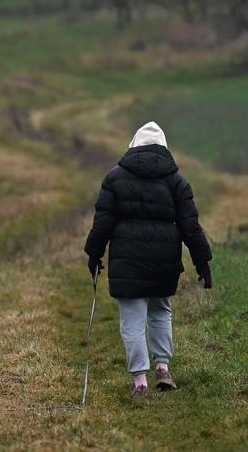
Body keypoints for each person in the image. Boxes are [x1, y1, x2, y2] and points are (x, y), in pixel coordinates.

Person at [84, 121, 213, 396]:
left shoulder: (115, 177)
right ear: (164, 148)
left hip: (127, 262)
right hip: (163, 261)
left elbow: (102, 222)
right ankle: (163, 367)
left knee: (132, 319)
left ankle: (140, 381)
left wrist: (94, 254)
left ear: (134, 145)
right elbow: (191, 226)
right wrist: (203, 263)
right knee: (160, 310)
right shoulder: (177, 181)